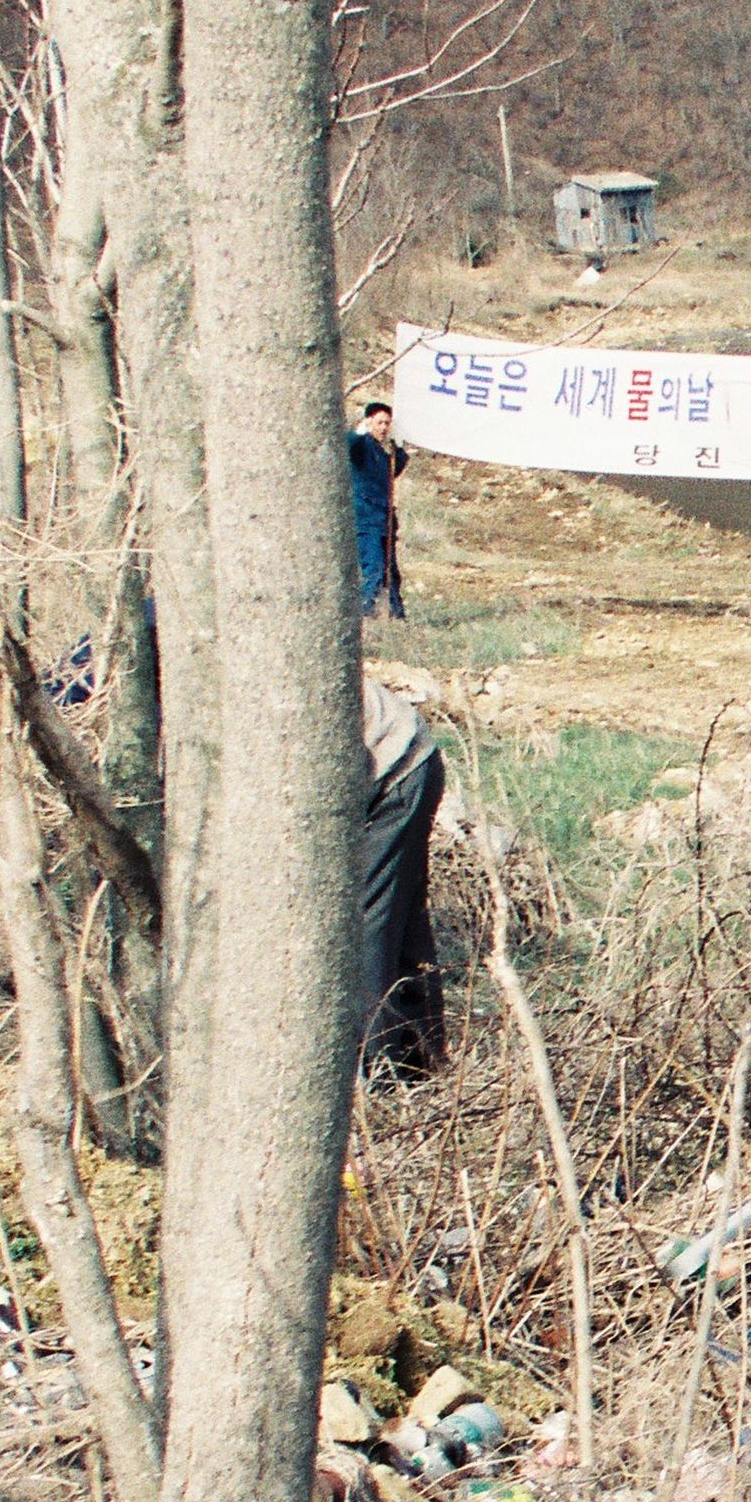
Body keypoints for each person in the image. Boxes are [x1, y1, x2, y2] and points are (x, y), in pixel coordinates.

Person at [354, 672, 447, 1075]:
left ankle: (378, 1073)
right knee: (399, 922)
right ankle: (420, 1066)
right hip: (402, 753)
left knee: (366, 924)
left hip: (396, 763)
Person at [348, 399, 411, 618]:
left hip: (384, 521)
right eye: (379, 423)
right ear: (369, 422)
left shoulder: (384, 454)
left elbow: (390, 476)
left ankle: (397, 615)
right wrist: (359, 433)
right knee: (373, 568)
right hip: (366, 520)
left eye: (387, 423)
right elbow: (349, 445)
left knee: (391, 573)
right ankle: (366, 615)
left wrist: (400, 450)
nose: (383, 428)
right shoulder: (362, 447)